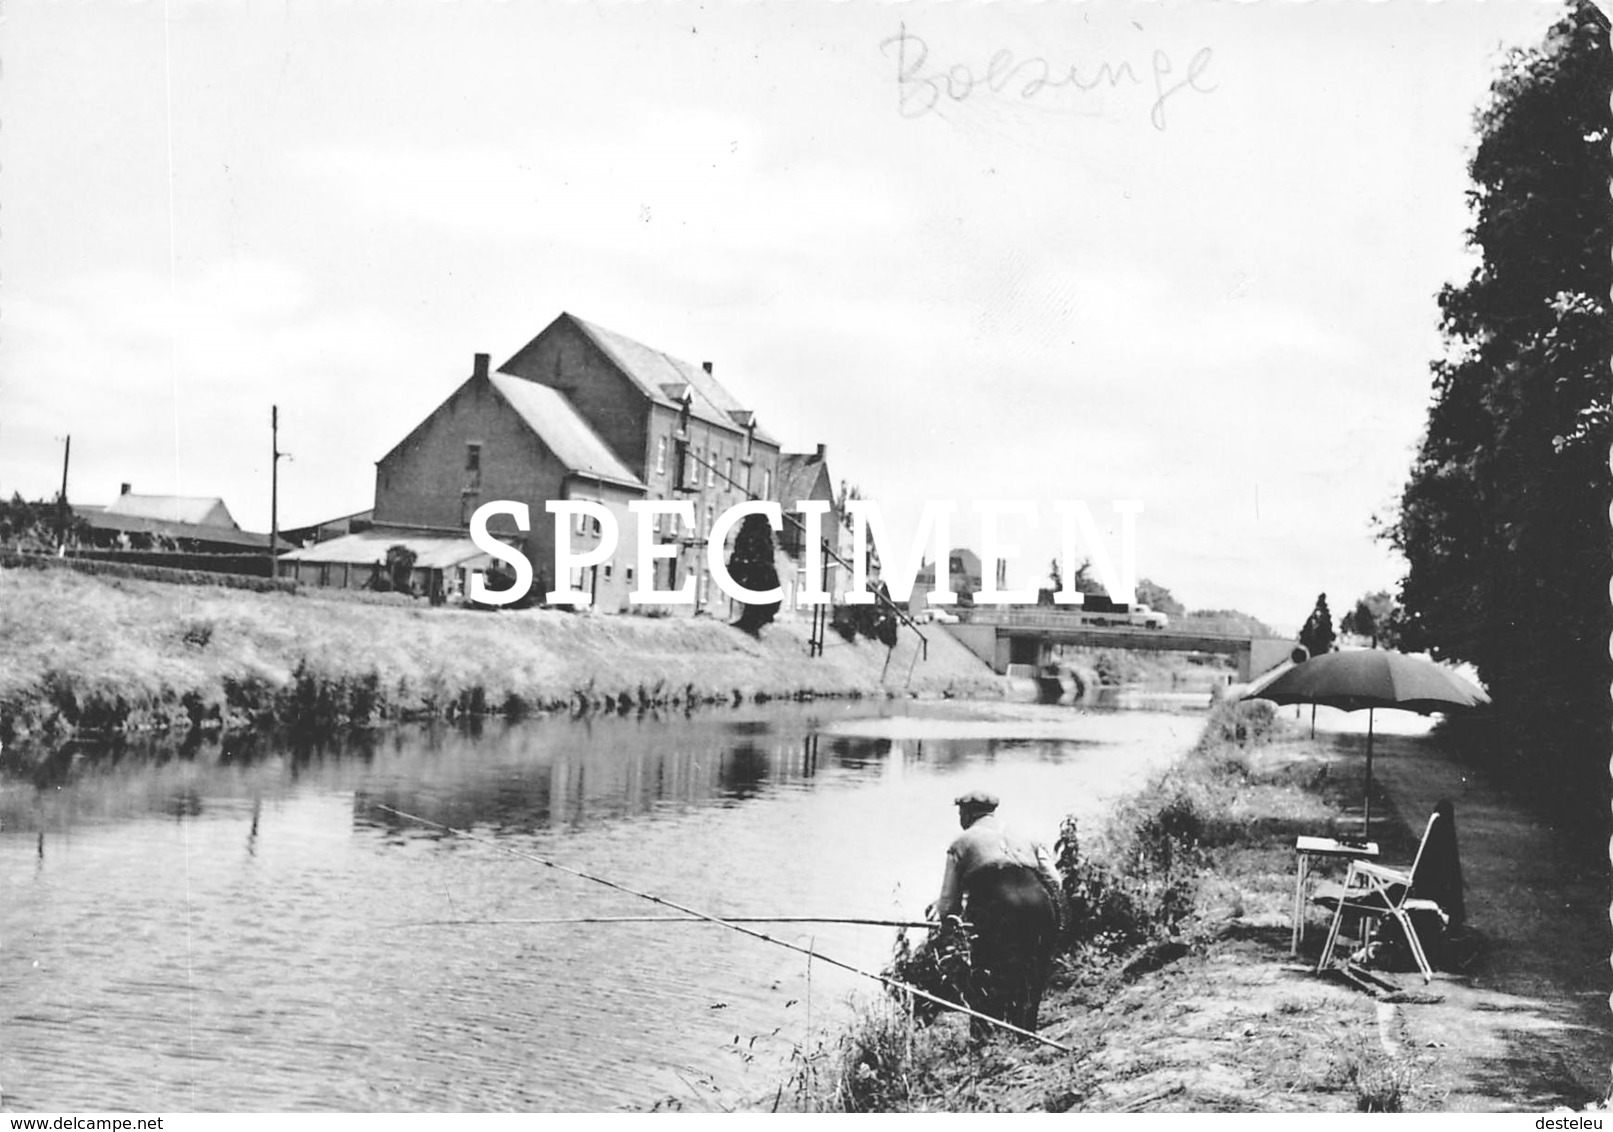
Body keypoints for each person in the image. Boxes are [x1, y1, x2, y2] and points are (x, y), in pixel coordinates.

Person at [930, 790, 1062, 1040]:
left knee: (986, 974)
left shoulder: (961, 842)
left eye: (961, 812)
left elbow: (948, 901)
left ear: (967, 813)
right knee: (1031, 972)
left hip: (999, 906)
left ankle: (985, 1039)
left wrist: (947, 926)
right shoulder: (1025, 835)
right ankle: (1026, 1033)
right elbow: (1054, 880)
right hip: (1040, 905)